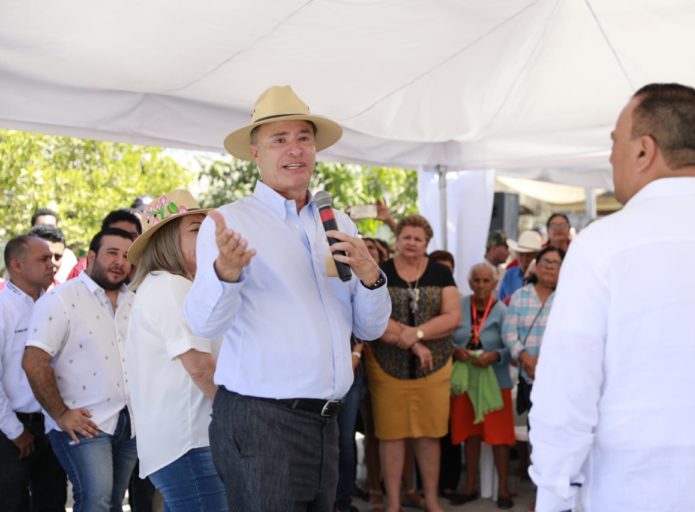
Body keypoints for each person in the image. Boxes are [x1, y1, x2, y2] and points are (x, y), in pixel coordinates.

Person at [529, 83, 695, 512]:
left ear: (644, 150)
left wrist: (553, 495)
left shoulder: (602, 246)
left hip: (635, 492)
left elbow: (565, 394)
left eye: (614, 142)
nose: (610, 157)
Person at [183, 85, 391, 511]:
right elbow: (204, 325)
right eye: (279, 140)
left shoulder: (338, 221)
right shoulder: (229, 222)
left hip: (326, 422)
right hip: (263, 422)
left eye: (303, 138)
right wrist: (227, 273)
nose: (294, 150)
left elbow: (370, 328)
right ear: (255, 153)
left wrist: (372, 278)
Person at [125, 189, 226, 511]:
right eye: (196, 229)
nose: (208, 235)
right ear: (168, 240)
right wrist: (241, 418)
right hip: (190, 441)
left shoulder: (172, 284)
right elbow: (200, 367)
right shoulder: (170, 285)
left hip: (187, 441)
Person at [22, 228, 137, 512]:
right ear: (91, 257)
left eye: (126, 256)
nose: (120, 261)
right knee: (95, 502)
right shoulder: (60, 299)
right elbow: (33, 361)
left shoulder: (135, 301)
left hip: (130, 422)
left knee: (111, 504)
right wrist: (61, 414)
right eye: (112, 253)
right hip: (83, 424)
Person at [368, 214, 461, 512]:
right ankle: (393, 503)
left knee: (429, 435)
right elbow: (372, 316)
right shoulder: (379, 272)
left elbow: (452, 317)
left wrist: (415, 333)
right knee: (391, 436)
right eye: (406, 236)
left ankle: (431, 500)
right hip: (386, 365)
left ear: (427, 244)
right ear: (398, 239)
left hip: (434, 367)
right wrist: (413, 342)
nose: (411, 243)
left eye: (418, 239)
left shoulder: (440, 273)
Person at [0, 236, 67, 511]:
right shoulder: (3, 309)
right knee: (12, 504)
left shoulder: (55, 303)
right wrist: (15, 430)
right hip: (12, 428)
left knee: (52, 502)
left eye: (53, 258)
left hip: (54, 423)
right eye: (43, 259)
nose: (52, 265)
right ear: (17, 264)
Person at [450, 262, 516, 509]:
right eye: (476, 280)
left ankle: (503, 489)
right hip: (465, 381)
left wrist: (496, 355)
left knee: (499, 437)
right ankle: (470, 487)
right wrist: (455, 351)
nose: (480, 285)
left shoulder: (502, 311)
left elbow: (511, 347)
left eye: (486, 281)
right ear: (469, 283)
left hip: (495, 379)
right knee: (470, 435)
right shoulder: (459, 306)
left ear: (495, 283)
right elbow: (446, 338)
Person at [503, 247, 564, 413]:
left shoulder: (569, 298)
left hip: (559, 377)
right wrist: (526, 359)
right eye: (546, 261)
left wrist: (543, 361)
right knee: (535, 428)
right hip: (528, 375)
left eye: (556, 263)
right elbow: (508, 333)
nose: (550, 266)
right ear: (536, 267)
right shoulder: (519, 296)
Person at [67, 209, 142, 281]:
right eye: (117, 234)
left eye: (132, 236)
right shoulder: (81, 270)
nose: (126, 240)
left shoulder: (150, 275)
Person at [498, 230, 542, 304]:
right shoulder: (509, 275)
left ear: (537, 256)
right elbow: (500, 302)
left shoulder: (544, 277)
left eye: (529, 255)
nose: (524, 260)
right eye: (521, 255)